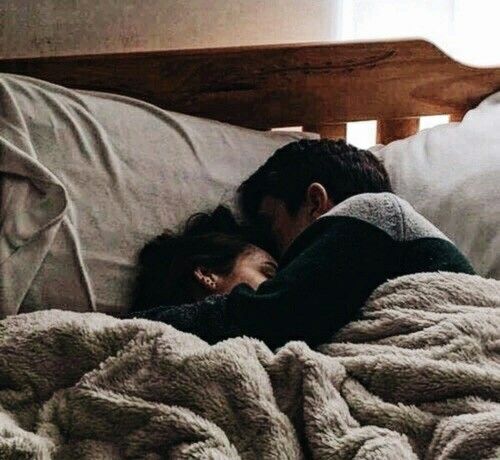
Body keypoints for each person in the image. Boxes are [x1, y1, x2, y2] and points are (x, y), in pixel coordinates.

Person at [132, 139, 475, 348]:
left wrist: (128, 327)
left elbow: (270, 316)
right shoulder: (362, 271)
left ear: (314, 202)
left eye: (272, 223)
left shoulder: (376, 212)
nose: (279, 252)